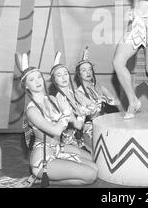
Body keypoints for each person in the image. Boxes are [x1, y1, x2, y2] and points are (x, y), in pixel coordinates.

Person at [17, 53, 97, 186]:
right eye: (31, 80)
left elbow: (75, 121)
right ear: (26, 86)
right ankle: (42, 178)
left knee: (94, 165)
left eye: (39, 77)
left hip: (59, 148)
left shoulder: (52, 99)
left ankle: (46, 178)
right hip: (43, 158)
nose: (37, 81)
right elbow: (56, 130)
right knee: (91, 175)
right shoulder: (32, 111)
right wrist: (66, 113)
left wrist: (82, 111)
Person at [50, 51, 98, 153]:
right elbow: (77, 125)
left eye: (65, 74)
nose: (63, 77)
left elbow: (93, 107)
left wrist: (84, 110)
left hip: (80, 140)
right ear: (54, 80)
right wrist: (84, 111)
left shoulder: (74, 93)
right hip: (68, 142)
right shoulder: (60, 98)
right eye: (59, 75)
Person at [74, 46, 120, 117]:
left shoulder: (98, 86)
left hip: (102, 121)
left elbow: (115, 101)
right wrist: (99, 102)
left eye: (90, 69)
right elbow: (89, 116)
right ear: (79, 74)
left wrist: (127, 101)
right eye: (84, 70)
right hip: (89, 125)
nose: (88, 72)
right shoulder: (79, 93)